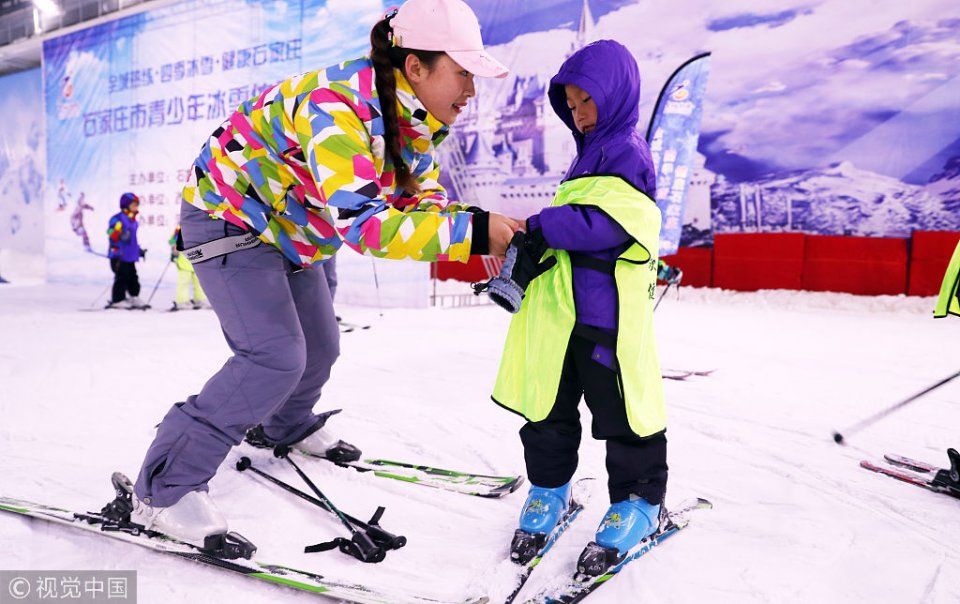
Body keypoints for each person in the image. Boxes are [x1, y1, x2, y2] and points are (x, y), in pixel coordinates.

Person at [128, 0, 516, 553]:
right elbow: (368, 226)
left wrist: (479, 223)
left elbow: (420, 196)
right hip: (232, 217)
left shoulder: (415, 120)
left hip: (296, 228)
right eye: (463, 73)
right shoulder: (336, 106)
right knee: (273, 356)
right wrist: (477, 235)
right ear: (416, 67)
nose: (471, 90)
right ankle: (164, 489)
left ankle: (284, 426)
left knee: (319, 346)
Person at [487, 40, 668, 573]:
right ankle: (549, 490)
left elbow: (614, 224)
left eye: (586, 100)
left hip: (604, 320)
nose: (579, 113)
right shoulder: (588, 155)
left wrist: (541, 225)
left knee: (623, 413)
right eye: (570, 103)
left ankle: (638, 501)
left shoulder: (627, 151)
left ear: (614, 96)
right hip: (561, 317)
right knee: (549, 407)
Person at [106, 192, 147, 309]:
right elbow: (110, 233)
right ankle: (118, 299)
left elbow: (133, 239)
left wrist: (139, 251)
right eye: (133, 205)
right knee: (121, 277)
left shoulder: (133, 220)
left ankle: (134, 296)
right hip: (120, 255)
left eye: (136, 205)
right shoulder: (117, 218)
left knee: (133, 277)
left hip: (130, 255)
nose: (136, 207)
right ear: (125, 205)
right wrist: (117, 233)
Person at [168, 224, 207, 311]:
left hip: (197, 260)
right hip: (184, 261)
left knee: (199, 282)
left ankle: (200, 299)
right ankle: (182, 301)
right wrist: (174, 251)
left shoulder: (199, 227)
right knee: (184, 282)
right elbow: (172, 241)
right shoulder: (180, 228)